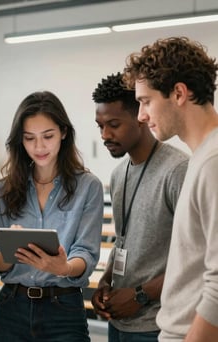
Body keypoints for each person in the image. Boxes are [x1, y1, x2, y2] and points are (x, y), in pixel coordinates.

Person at [0, 90, 104, 341]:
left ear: (63, 132)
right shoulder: (4, 189)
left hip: (63, 309)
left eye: (47, 136)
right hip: (12, 307)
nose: (39, 147)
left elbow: (86, 251)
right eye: (29, 138)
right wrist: (10, 253)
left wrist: (64, 267)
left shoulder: (88, 187)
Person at [123, 36, 218, 341]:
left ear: (178, 93)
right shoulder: (202, 158)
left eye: (146, 101)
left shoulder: (213, 162)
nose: (141, 116)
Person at [91, 72, 188, 342]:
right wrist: (106, 280)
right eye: (100, 126)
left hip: (159, 326)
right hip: (119, 322)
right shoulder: (118, 174)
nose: (105, 135)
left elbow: (198, 259)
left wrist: (141, 295)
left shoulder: (177, 170)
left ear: (141, 118)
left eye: (113, 125)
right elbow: (124, 240)